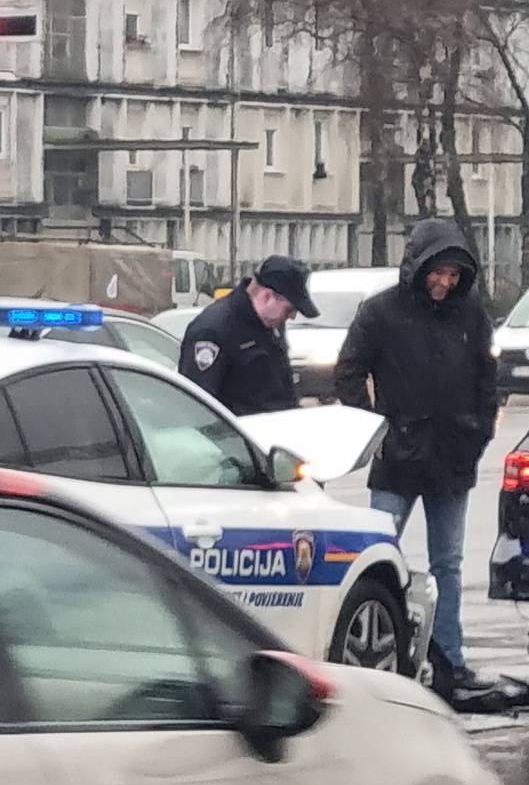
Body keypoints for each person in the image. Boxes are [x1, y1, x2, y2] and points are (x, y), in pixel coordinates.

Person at [334, 218, 502, 701]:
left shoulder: (470, 315)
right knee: (374, 559)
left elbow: (487, 379)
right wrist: (376, 430)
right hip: (398, 457)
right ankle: (368, 659)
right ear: (418, 265)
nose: (445, 283)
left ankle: (449, 661)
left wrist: (480, 431)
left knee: (447, 564)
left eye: (453, 275)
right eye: (439, 273)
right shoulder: (381, 312)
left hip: (452, 456)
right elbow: (349, 372)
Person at [177, 254, 318, 415]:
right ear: (267, 296)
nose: (292, 316)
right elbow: (197, 405)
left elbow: (281, 389)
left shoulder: (271, 325)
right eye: (289, 309)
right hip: (234, 436)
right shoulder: (213, 330)